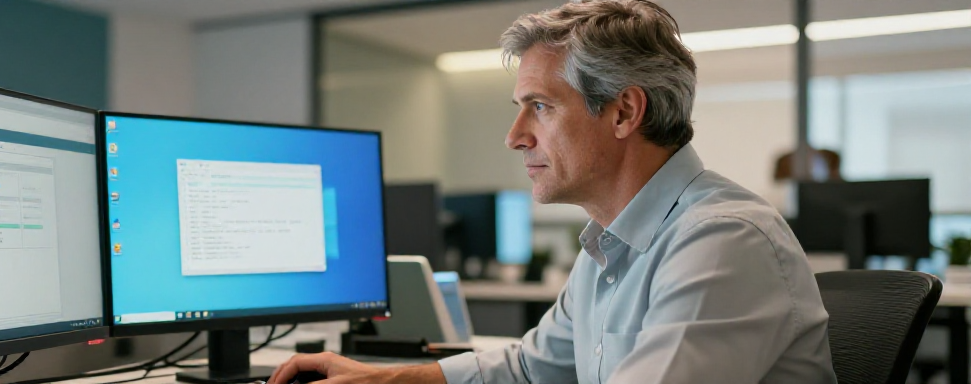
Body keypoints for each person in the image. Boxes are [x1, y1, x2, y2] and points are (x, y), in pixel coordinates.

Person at [269, 0, 838, 383]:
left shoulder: (722, 240)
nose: (515, 137)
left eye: (539, 107)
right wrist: (383, 378)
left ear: (623, 111)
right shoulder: (611, 243)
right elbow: (531, 367)